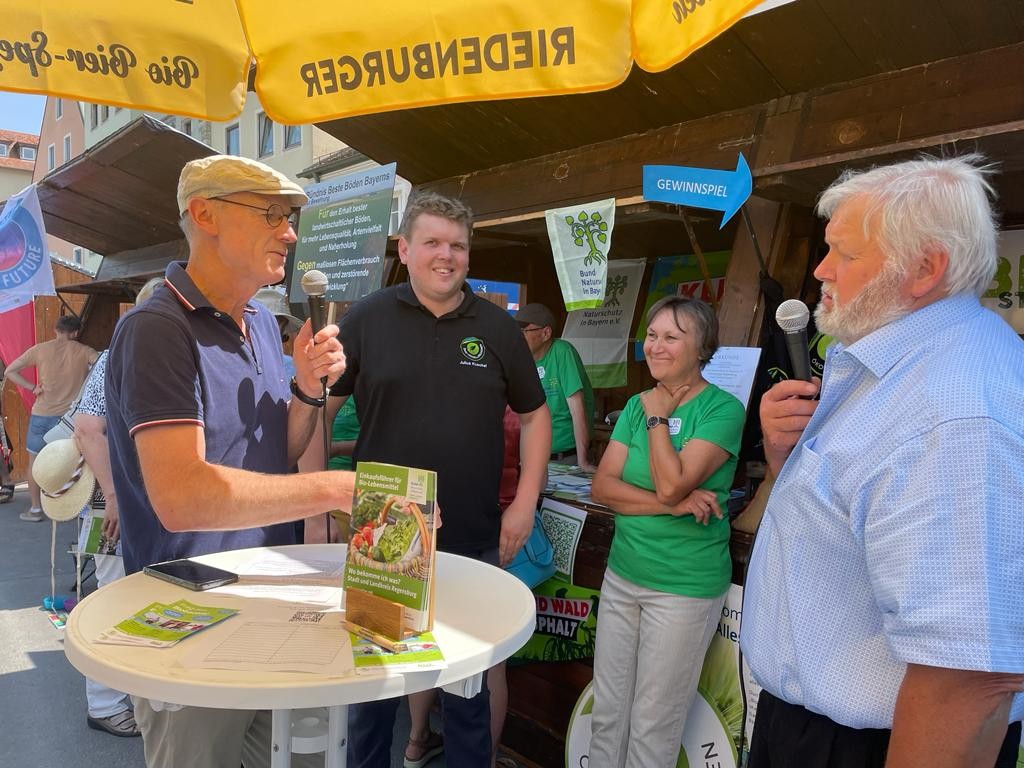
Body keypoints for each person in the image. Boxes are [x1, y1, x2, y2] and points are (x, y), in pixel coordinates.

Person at [740, 155, 1024, 768]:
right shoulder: (914, 363)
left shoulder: (954, 413)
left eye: (843, 253)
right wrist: (786, 456)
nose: (820, 269)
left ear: (923, 269)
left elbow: (969, 680)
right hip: (824, 733)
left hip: (873, 746)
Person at [104, 154, 355, 768]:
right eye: (272, 214)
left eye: (290, 217)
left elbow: (280, 455)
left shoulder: (264, 325)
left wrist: (301, 389)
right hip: (186, 617)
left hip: (267, 596)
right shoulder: (156, 329)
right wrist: (331, 489)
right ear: (205, 214)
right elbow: (182, 497)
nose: (290, 232)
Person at [326, 190, 551, 768]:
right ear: (405, 250)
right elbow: (319, 405)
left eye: (457, 245)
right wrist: (320, 498)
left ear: (469, 257)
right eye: (431, 242)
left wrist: (525, 502)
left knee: (467, 693)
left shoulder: (499, 329)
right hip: (380, 535)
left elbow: (535, 415)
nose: (445, 255)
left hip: (472, 537)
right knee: (373, 691)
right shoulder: (366, 318)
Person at [589, 295, 746, 768]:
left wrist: (659, 418)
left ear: (702, 349)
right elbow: (603, 486)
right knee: (608, 710)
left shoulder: (722, 408)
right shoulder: (635, 404)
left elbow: (673, 481)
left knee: (654, 724)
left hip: (682, 587)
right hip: (623, 574)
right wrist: (673, 507)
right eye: (652, 336)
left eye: (671, 337)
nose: (656, 347)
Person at [4, 314, 97, 521]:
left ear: (56, 330)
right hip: (70, 419)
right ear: (75, 333)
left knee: (35, 462)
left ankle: (36, 509)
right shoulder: (85, 351)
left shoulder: (40, 350)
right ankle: (74, 508)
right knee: (75, 463)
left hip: (42, 414)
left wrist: (32, 388)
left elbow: (11, 370)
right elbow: (104, 367)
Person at [515, 302, 597, 471]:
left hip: (566, 458)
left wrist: (582, 462)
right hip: (533, 457)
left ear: (546, 333)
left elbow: (577, 410)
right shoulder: (522, 359)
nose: (518, 336)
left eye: (524, 331)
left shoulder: (562, 352)